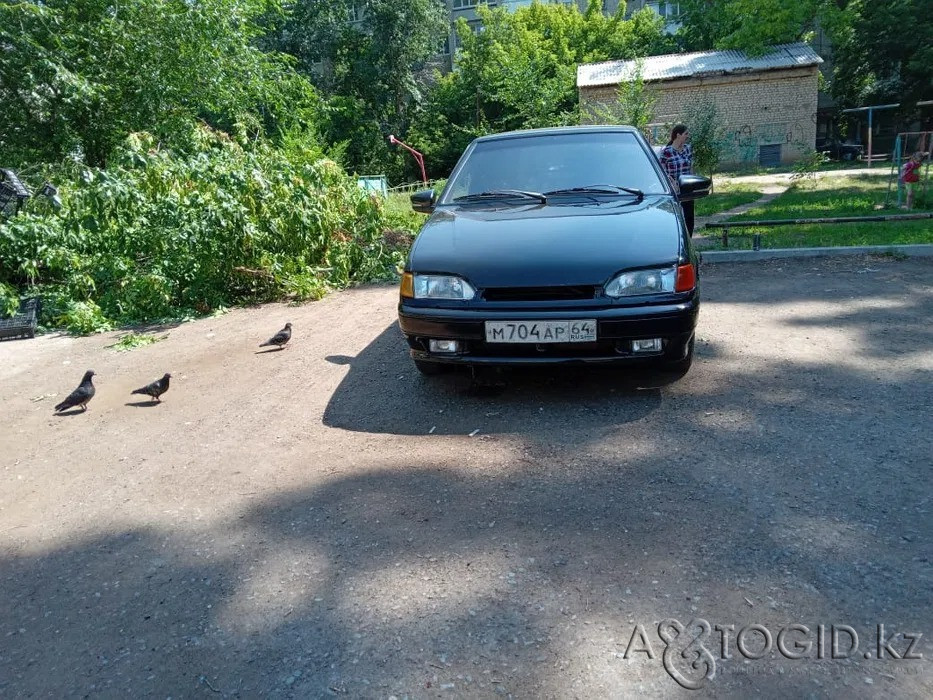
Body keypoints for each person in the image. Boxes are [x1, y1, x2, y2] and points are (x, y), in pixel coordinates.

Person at [659, 124, 695, 235]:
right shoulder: (667, 152)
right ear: (678, 135)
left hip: (687, 188)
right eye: (686, 134)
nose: (688, 136)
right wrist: (670, 181)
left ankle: (688, 241)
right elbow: (661, 171)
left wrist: (694, 183)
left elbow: (691, 168)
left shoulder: (688, 149)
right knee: (674, 217)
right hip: (673, 190)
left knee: (689, 217)